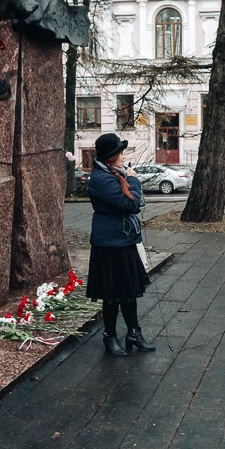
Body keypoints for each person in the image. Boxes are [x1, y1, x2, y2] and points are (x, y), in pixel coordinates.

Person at [86, 133, 155, 356]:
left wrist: (128, 177)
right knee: (111, 294)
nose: (123, 156)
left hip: (122, 239)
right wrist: (134, 180)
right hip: (109, 244)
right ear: (111, 156)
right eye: (121, 153)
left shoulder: (113, 172)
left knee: (128, 291)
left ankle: (134, 333)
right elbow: (129, 204)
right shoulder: (102, 179)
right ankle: (110, 336)